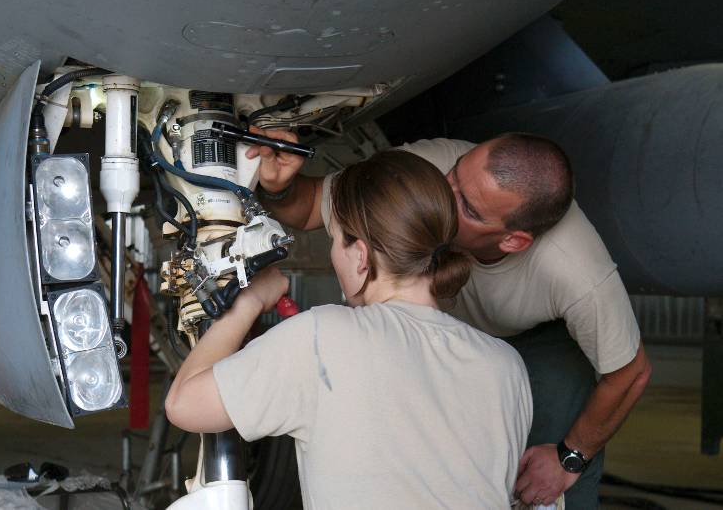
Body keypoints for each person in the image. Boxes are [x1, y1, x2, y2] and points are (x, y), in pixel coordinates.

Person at [247, 131, 652, 509]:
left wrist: (570, 457)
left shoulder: (577, 273)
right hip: (426, 327)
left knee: (548, 480)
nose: (442, 194)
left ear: (513, 241)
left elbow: (629, 373)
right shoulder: (426, 170)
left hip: (536, 338)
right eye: (455, 177)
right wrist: (279, 185)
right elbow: (311, 203)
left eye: (469, 208)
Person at [166, 150, 533, 509]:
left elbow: (185, 406)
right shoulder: (506, 364)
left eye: (335, 238)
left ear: (360, 256)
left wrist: (248, 304)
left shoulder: (323, 336)